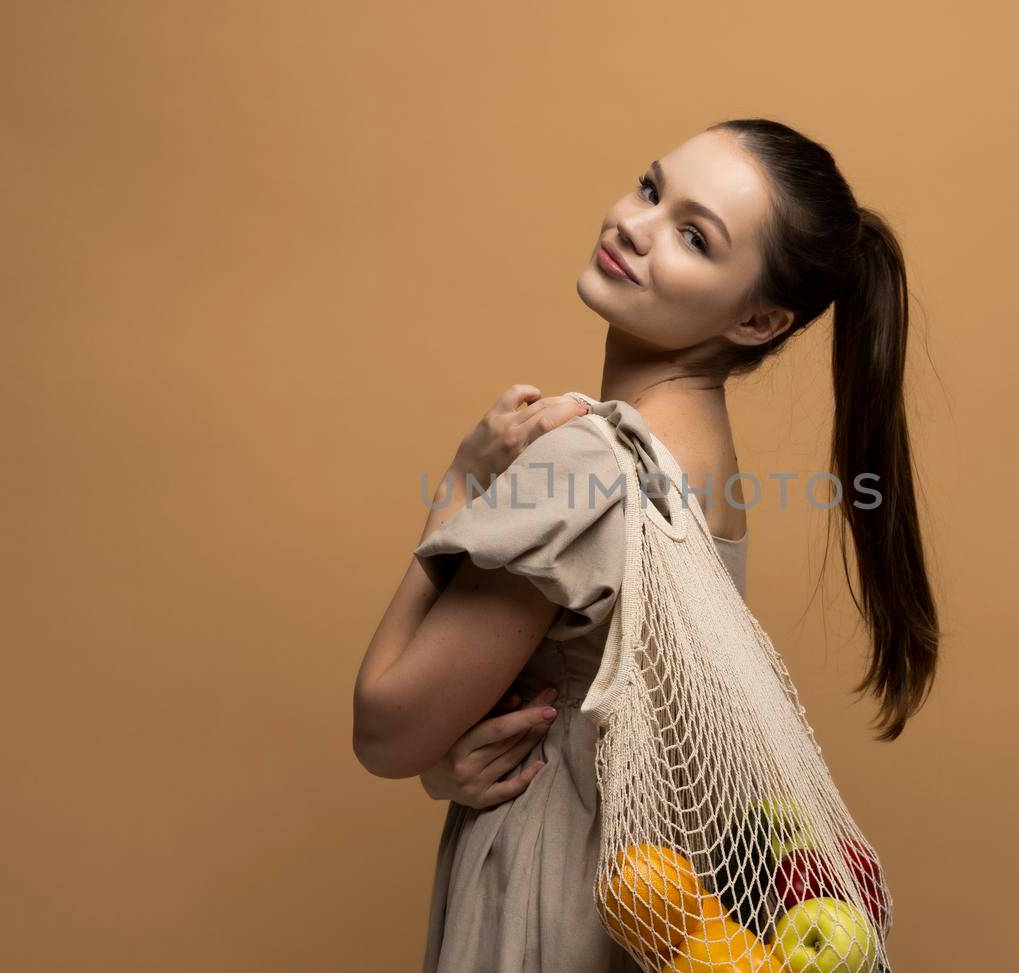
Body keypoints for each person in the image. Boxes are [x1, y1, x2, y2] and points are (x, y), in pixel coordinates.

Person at [351, 117, 942, 972]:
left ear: (757, 320)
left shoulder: (589, 464)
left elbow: (384, 727)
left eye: (694, 237)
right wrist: (452, 759)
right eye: (652, 188)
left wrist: (460, 488)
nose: (636, 223)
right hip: (656, 902)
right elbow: (605, 706)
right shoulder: (707, 464)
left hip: (553, 902)